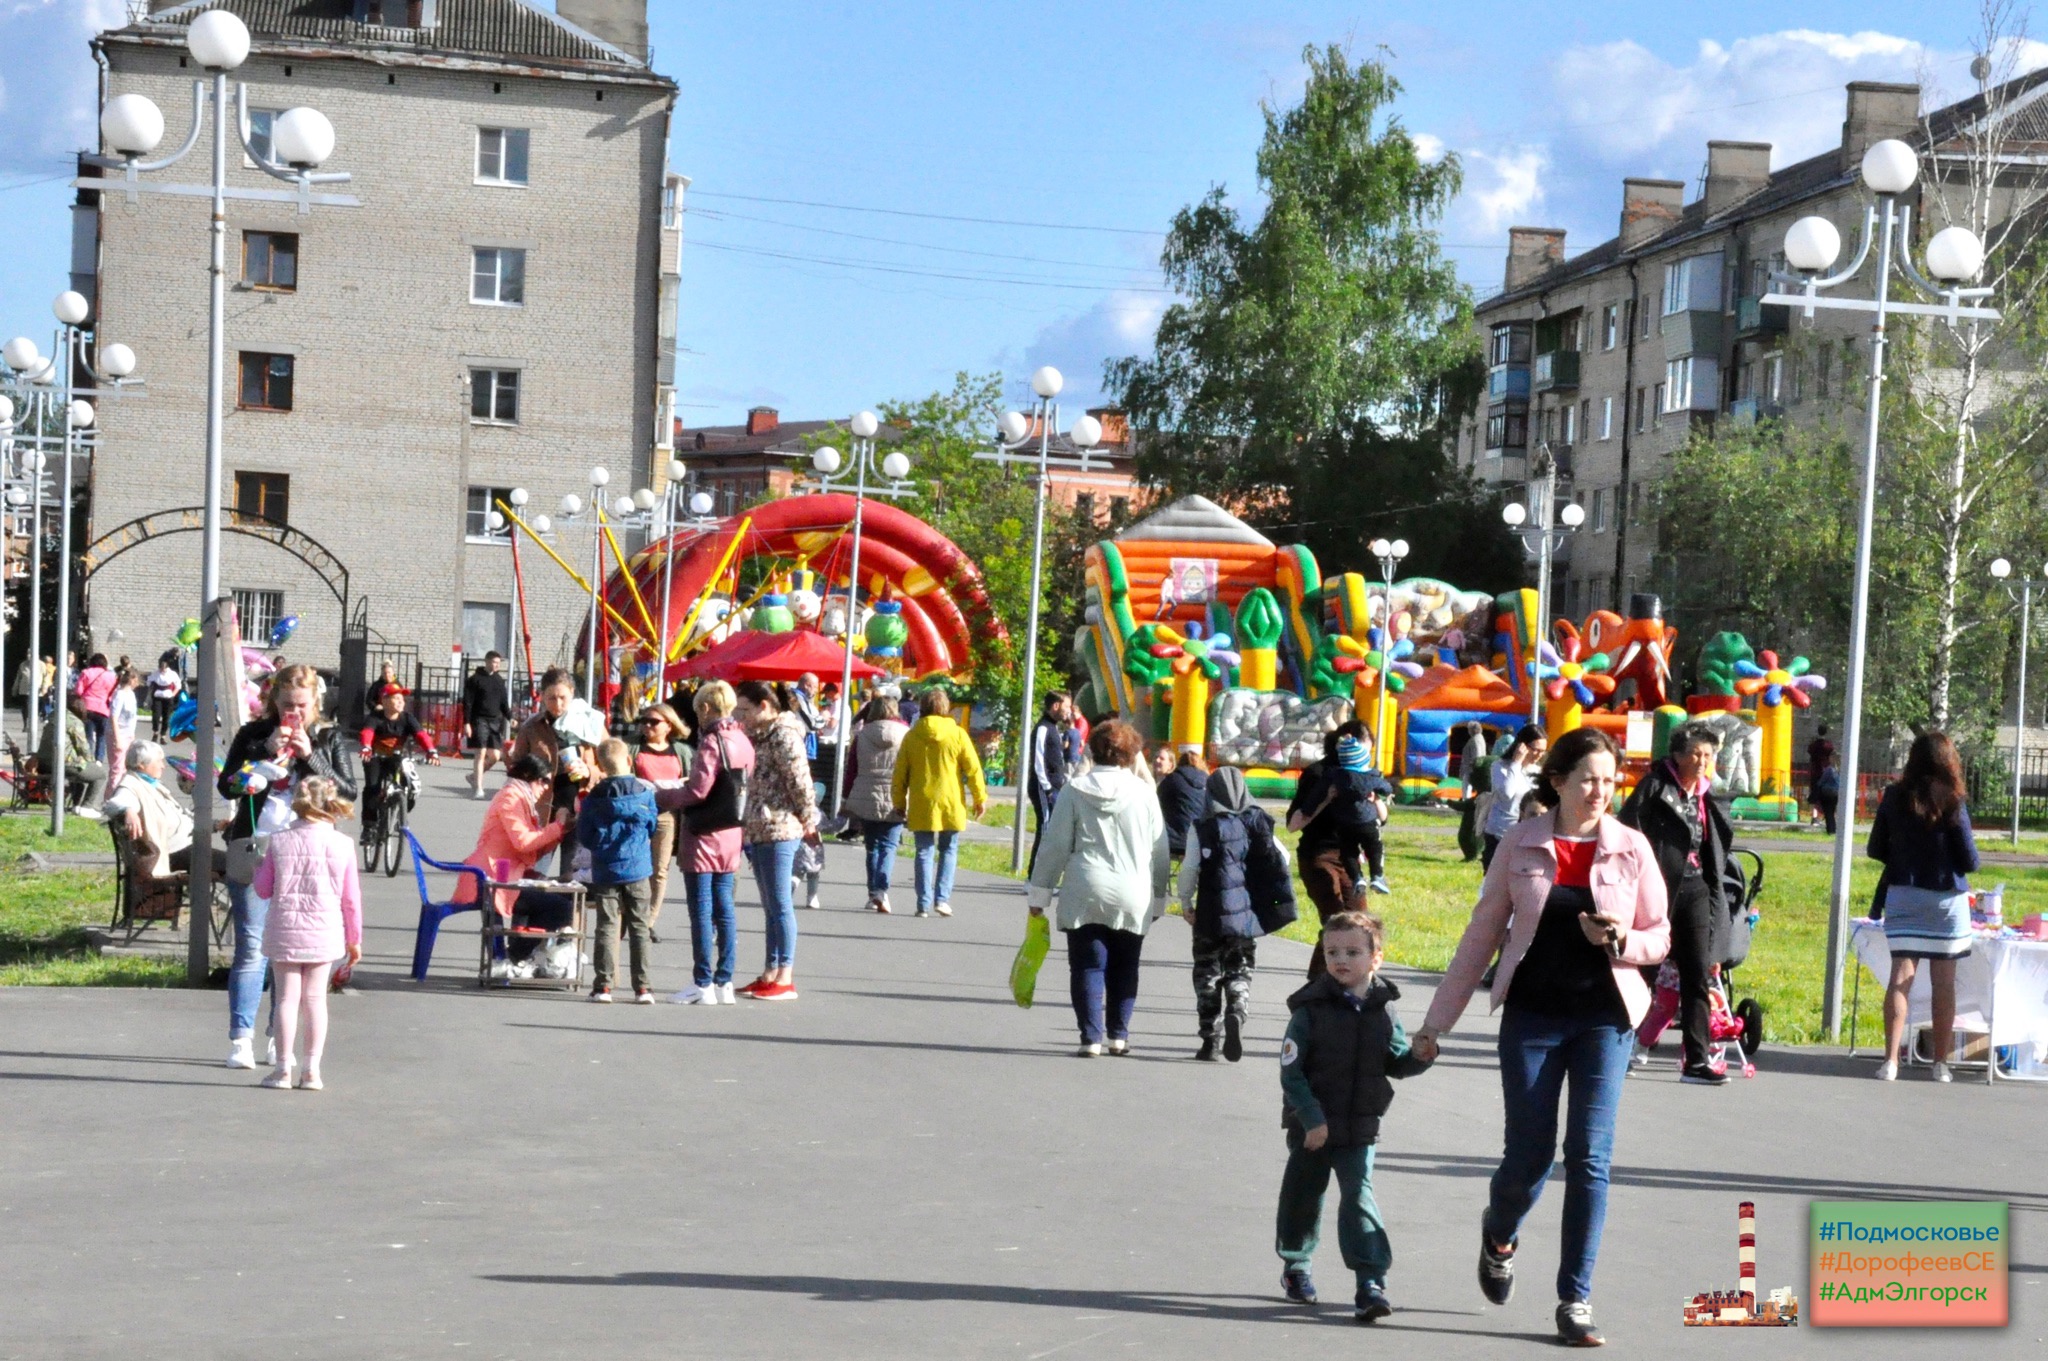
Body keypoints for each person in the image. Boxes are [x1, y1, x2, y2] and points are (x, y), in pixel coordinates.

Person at [1412, 726, 1671, 1348]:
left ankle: (1575, 1299)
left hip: (1605, 1020)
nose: (1600, 791)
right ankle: (1499, 1234)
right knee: (1528, 1157)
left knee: (1589, 1157)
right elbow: (1481, 936)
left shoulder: (1632, 848)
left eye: (1610, 781)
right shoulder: (1521, 842)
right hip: (1531, 1017)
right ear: (1557, 781)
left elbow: (1659, 935)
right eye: (1588, 779)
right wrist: (1434, 1025)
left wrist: (1620, 942)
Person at [1275, 909, 1434, 1321]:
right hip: (1313, 1125)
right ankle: (1296, 1265)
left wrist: (1419, 1057)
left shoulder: (1384, 1008)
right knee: (1303, 1196)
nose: (1340, 960)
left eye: (1351, 951)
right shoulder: (1309, 1009)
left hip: (1361, 1122)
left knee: (1358, 1197)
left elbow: (1395, 1061)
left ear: (1376, 957)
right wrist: (1310, 1118)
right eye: (1332, 952)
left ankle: (1370, 1280)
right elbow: (1291, 1072)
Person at [218, 665, 357, 1068]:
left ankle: (279, 1039)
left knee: (291, 949)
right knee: (252, 946)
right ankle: (240, 1039)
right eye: (285, 706)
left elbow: (348, 793)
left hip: (308, 854)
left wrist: (310, 756)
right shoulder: (253, 734)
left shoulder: (328, 738)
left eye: (301, 705)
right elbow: (227, 783)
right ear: (273, 702)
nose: (292, 714)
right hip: (256, 846)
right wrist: (263, 752)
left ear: (315, 701)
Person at [1026, 719, 1171, 1057]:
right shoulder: (1145, 794)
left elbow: (1055, 846)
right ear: (1132, 753)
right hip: (1133, 892)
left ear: (1093, 750)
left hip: (1084, 889)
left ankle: (1090, 1038)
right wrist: (1160, 897)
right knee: (1126, 964)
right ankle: (1118, 1035)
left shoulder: (1075, 791)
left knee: (1087, 965)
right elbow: (1160, 850)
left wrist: (1039, 894)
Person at [1618, 719, 1734, 1085]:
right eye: (1696, 754)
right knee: (1642, 974)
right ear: (1679, 755)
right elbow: (1627, 831)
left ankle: (1696, 1061)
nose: (1703, 761)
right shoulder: (1654, 787)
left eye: (1709, 755)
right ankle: (1619, 1048)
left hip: (1696, 890)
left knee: (1698, 974)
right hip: (1656, 891)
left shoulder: (1705, 794)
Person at [1868, 730, 1981, 1084]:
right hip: (1946, 902)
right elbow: (1970, 860)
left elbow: (1875, 848)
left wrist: (1903, 859)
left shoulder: (1893, 797)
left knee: (1900, 979)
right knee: (1943, 985)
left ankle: (1890, 1062)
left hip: (1903, 896)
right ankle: (1940, 1065)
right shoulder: (1954, 800)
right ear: (1949, 761)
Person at [249, 776, 361, 1091]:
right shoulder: (343, 845)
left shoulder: (279, 841)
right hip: (324, 932)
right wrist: (354, 939)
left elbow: (262, 889)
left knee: (286, 999)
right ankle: (311, 1070)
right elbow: (350, 899)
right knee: (315, 1000)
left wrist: (258, 864)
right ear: (330, 804)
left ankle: (282, 1069)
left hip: (285, 929)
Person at [1178, 766, 1294, 1061]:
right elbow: (1283, 856)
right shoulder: (1256, 821)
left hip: (1209, 915)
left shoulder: (1202, 826)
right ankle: (1238, 1010)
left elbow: (1190, 868)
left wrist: (1185, 902)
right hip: (1246, 915)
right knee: (1239, 968)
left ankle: (1209, 1040)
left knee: (1207, 973)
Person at [659, 682, 754, 1005]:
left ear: (706, 709)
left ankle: (702, 982)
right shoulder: (742, 739)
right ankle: (724, 980)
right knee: (724, 907)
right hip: (731, 831)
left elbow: (698, 791)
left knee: (700, 909)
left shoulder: (712, 742)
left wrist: (664, 795)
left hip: (704, 833)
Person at [451, 753, 575, 970]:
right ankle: (513, 958)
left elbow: (533, 849)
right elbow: (524, 842)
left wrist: (561, 829)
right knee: (559, 908)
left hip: (506, 876)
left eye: (549, 782)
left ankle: (516, 957)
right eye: (542, 781)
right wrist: (556, 827)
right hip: (492, 879)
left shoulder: (521, 797)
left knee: (561, 900)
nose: (546, 787)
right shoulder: (511, 797)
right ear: (527, 776)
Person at [735, 679, 816, 999]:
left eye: (744, 710)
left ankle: (785, 974)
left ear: (764, 707)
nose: (740, 716)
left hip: (782, 827)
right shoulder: (758, 735)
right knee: (770, 905)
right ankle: (770, 971)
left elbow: (800, 780)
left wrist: (809, 819)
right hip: (760, 826)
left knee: (780, 903)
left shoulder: (784, 734)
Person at [890, 688, 987, 918]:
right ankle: (941, 899)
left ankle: (922, 903)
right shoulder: (958, 734)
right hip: (951, 800)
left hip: (922, 800)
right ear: (945, 707)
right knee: (949, 849)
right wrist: (979, 797)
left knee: (923, 851)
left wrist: (898, 801)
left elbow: (900, 772)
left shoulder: (912, 736)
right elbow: (973, 769)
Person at [578, 738, 659, 1004]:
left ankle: (603, 986)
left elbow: (585, 835)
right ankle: (643, 988)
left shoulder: (594, 797)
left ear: (600, 764)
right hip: (637, 867)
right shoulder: (644, 793)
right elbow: (652, 827)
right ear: (628, 760)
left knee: (607, 926)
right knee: (639, 926)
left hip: (606, 869)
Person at [508, 668, 597, 877]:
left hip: (579, 813)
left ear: (572, 694)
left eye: (563, 698)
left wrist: (589, 770)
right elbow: (515, 770)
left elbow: (610, 768)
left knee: (573, 883)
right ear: (542, 697)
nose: (558, 704)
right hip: (542, 814)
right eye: (551, 698)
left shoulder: (589, 723)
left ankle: (571, 911)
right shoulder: (532, 727)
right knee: (533, 877)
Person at [633, 702, 693, 943]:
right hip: (637, 813)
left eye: (654, 722)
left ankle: (648, 921)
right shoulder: (633, 747)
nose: (647, 725)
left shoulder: (682, 751)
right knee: (635, 866)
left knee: (659, 870)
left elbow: (692, 779)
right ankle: (632, 915)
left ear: (668, 725)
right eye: (644, 721)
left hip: (667, 815)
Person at [843, 695, 908, 912]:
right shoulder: (905, 734)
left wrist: (846, 795)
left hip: (866, 794)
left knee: (872, 846)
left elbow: (851, 768)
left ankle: (873, 894)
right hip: (895, 794)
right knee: (889, 845)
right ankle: (882, 891)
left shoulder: (862, 736)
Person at [357, 686, 441, 829]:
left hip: (397, 758)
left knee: (412, 786)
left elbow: (421, 735)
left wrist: (431, 751)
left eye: (402, 699)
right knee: (372, 788)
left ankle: (400, 814)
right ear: (384, 701)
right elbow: (367, 732)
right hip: (375, 757)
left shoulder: (408, 718)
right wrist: (366, 747)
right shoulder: (375, 717)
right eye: (396, 698)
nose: (401, 702)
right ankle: (369, 826)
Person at [1483, 725, 1548, 871]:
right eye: (1535, 749)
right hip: (1500, 834)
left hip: (1528, 835)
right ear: (1522, 746)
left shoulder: (1537, 771)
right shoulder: (1500, 767)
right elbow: (1507, 793)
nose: (1538, 755)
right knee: (1495, 883)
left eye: (1543, 751)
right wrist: (1516, 763)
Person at [39, 695, 107, 817]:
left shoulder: (54, 716)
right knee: (100, 775)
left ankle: (76, 806)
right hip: (64, 762)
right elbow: (83, 747)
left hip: (45, 762)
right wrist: (91, 762)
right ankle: (87, 806)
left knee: (80, 773)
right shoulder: (73, 721)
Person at [1027, 691, 1073, 873]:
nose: (1069, 711)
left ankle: (1043, 876)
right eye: (1067, 706)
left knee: (1053, 831)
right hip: (1043, 787)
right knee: (1045, 831)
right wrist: (1047, 788)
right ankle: (1033, 877)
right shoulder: (1043, 728)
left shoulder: (1055, 728)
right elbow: (1039, 760)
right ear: (1056, 706)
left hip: (1055, 787)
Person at [462, 651, 514, 800]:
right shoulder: (475, 680)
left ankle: (473, 777)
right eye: (494, 662)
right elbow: (468, 703)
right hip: (479, 720)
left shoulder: (499, 681)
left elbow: (504, 702)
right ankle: (478, 788)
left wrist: (510, 717)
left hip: (494, 721)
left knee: (496, 756)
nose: (496, 665)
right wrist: (467, 723)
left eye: (498, 663)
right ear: (486, 662)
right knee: (481, 753)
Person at [1155, 745, 1209, 870]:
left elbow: (1158, 805)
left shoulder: (1172, 780)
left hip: (1175, 842)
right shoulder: (1209, 781)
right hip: (1201, 841)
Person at [75, 653, 117, 763]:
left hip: (87, 708)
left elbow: (78, 691)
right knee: (101, 735)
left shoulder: (86, 673)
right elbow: (112, 693)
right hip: (103, 709)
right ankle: (99, 759)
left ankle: (88, 758)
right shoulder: (111, 676)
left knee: (88, 735)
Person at [107, 667, 142, 796]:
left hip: (127, 734)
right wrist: (117, 739)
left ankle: (115, 798)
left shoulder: (131, 694)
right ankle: (110, 799)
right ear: (131, 679)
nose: (138, 683)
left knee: (124, 769)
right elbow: (113, 717)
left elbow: (132, 718)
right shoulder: (119, 694)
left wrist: (131, 735)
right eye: (136, 679)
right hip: (117, 734)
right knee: (117, 769)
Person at [1807, 723, 1839, 834]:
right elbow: (1833, 754)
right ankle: (1831, 819)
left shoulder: (1813, 745)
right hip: (1826, 772)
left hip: (1815, 772)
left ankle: (1814, 817)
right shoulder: (1828, 745)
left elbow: (1809, 751)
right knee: (1830, 797)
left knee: (1815, 795)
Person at [149, 651, 183, 742]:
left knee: (166, 717)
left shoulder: (172, 674)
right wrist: (152, 689)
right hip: (157, 697)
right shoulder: (156, 673)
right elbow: (149, 682)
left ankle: (163, 735)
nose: (162, 670)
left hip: (168, 697)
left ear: (167, 667)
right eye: (161, 668)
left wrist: (173, 694)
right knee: (156, 716)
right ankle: (155, 732)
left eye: (163, 669)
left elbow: (178, 685)